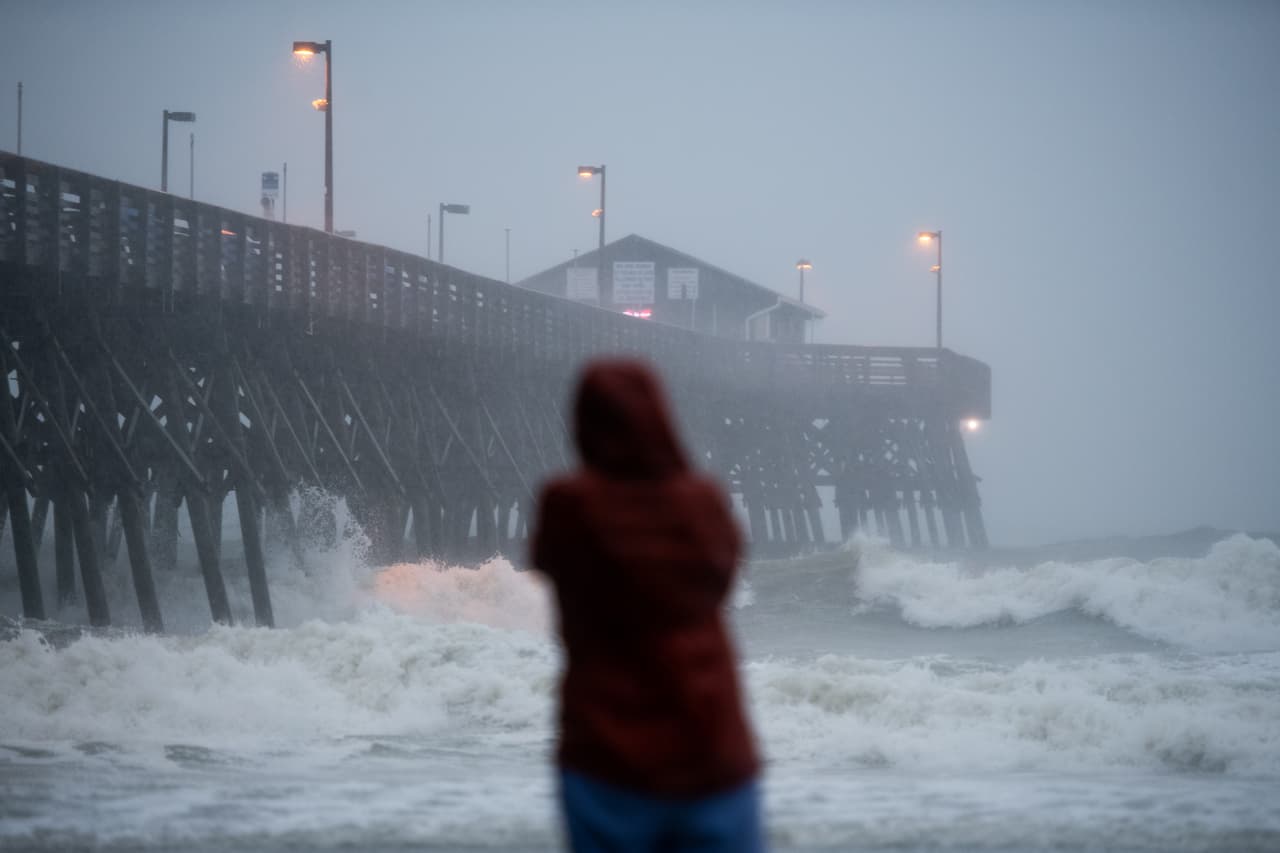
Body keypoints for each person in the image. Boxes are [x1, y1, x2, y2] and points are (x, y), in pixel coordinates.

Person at [531, 358, 764, 853]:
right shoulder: (702, 503)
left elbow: (549, 564)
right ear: (661, 416)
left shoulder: (567, 504)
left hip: (604, 749)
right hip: (711, 746)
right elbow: (722, 577)